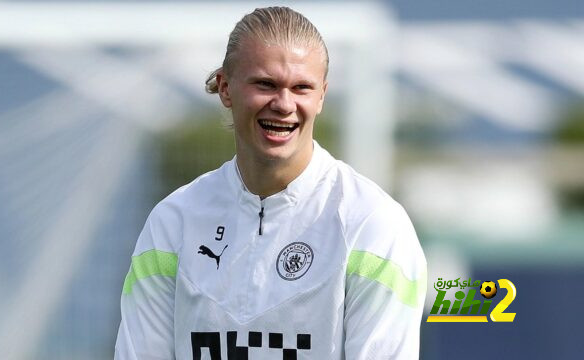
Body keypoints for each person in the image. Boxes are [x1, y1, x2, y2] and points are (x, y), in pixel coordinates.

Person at [115, 6, 427, 360]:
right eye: (266, 84)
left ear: (321, 95)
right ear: (225, 88)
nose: (284, 104)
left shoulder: (372, 224)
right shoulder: (173, 222)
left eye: (301, 88)